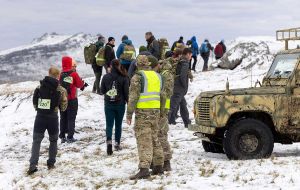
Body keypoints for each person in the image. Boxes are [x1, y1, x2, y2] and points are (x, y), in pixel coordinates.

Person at [127, 55, 164, 180]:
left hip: (143, 113)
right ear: (148, 63)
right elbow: (163, 95)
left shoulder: (138, 77)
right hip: (156, 112)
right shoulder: (158, 76)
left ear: (137, 64)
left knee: (144, 140)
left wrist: (129, 114)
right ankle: (159, 166)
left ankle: (144, 169)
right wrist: (162, 111)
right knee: (155, 138)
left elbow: (133, 97)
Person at [27, 67, 68, 175]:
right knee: (53, 141)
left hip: (40, 117)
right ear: (58, 75)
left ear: (48, 74)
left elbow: (35, 102)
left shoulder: (39, 87)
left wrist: (39, 109)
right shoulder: (61, 90)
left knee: (36, 141)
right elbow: (63, 107)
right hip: (53, 118)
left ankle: (33, 165)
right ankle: (51, 163)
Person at [100, 59, 129, 155]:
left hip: (108, 104)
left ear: (111, 66)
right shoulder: (124, 77)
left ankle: (109, 142)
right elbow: (126, 93)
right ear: (119, 66)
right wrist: (128, 102)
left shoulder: (105, 77)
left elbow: (102, 91)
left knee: (109, 125)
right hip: (120, 104)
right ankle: (117, 143)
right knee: (118, 125)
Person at [59, 56, 87, 143]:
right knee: (71, 118)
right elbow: (79, 85)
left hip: (62, 99)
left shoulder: (60, 74)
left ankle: (62, 136)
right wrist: (83, 84)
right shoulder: (74, 74)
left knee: (63, 117)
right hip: (72, 99)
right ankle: (70, 137)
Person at [168, 48, 192, 128]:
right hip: (179, 89)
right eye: (190, 55)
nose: (191, 57)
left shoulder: (180, 60)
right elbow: (182, 76)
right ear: (187, 54)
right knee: (171, 107)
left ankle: (187, 122)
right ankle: (163, 123)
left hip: (177, 87)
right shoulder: (185, 63)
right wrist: (184, 86)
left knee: (183, 105)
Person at [158, 56, 174, 171]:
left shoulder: (166, 74)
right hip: (162, 107)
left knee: (162, 135)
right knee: (160, 135)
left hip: (163, 108)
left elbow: (165, 93)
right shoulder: (164, 73)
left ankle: (166, 161)